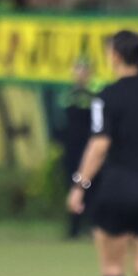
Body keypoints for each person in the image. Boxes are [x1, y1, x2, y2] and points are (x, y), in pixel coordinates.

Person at [67, 30, 138, 276]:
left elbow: (99, 145)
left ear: (115, 55)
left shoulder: (107, 96)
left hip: (117, 189)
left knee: (112, 269)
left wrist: (80, 185)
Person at [58, 59, 96, 238]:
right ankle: (73, 227)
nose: (81, 73)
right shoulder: (66, 96)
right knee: (72, 184)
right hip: (71, 150)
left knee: (90, 186)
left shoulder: (94, 96)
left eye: (85, 69)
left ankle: (89, 225)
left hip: (89, 149)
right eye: (78, 69)